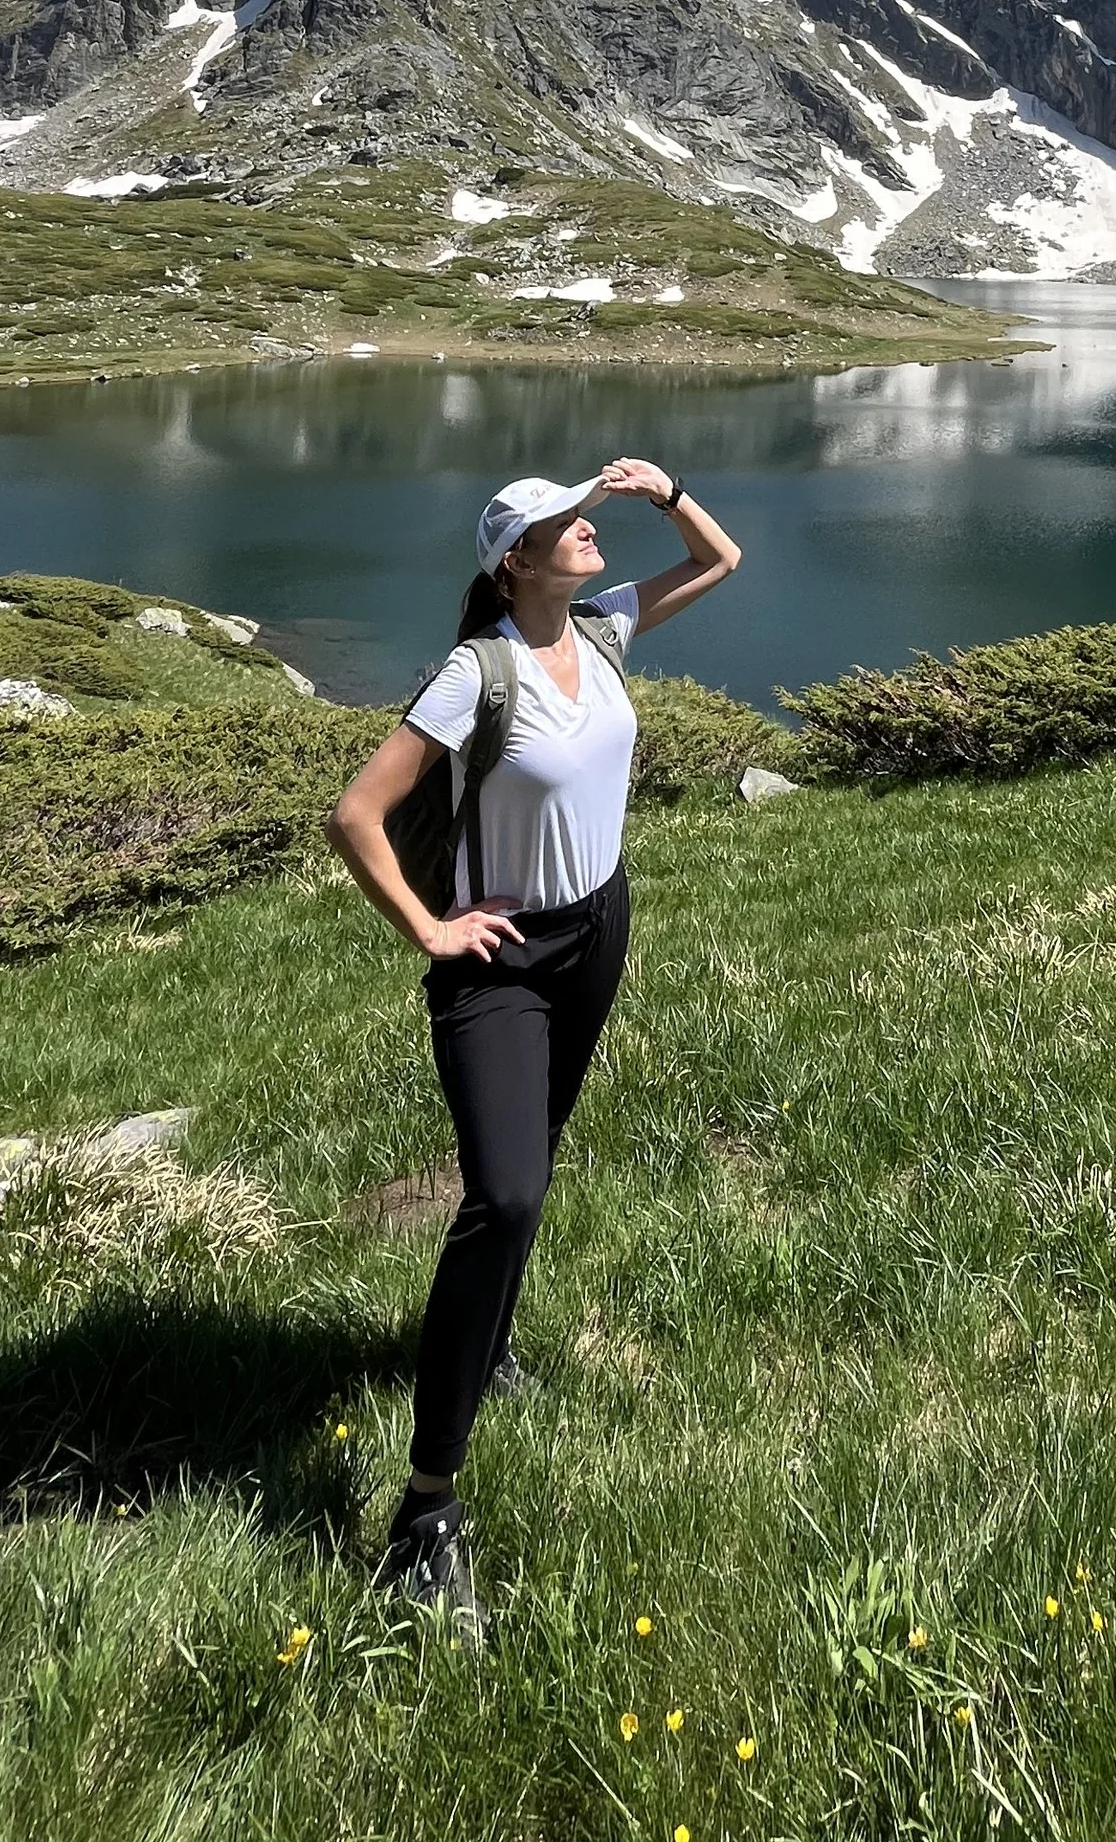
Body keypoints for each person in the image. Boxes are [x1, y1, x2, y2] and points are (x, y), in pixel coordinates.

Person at [327, 455, 741, 1621]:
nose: (583, 529)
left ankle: (490, 1345)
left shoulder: (603, 631)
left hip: (596, 927)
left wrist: (659, 495)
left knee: (539, 1161)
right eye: (562, 523)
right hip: (499, 955)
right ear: (514, 562)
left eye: (582, 514)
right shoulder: (477, 673)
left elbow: (721, 562)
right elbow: (355, 814)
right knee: (503, 1196)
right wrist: (430, 928)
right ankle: (425, 1508)